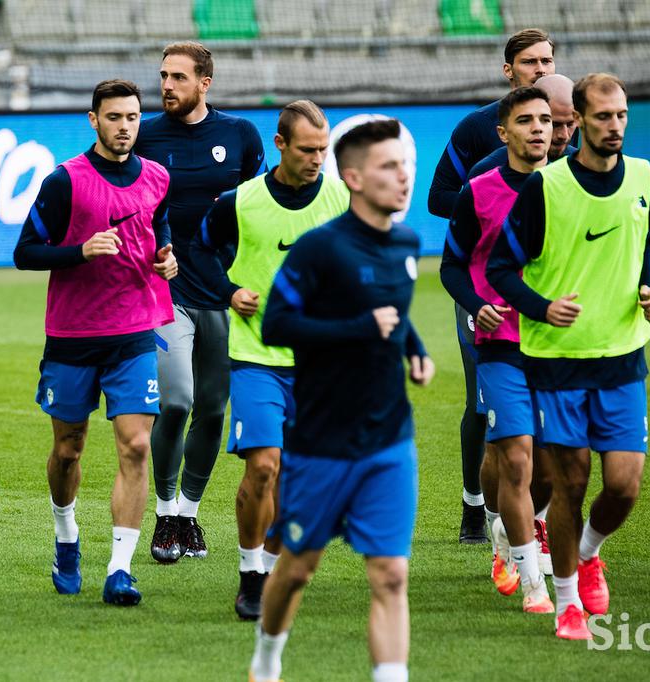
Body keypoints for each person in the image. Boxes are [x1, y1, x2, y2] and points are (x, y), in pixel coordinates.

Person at [249, 119, 432, 682]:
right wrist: (358, 326)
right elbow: (276, 325)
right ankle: (266, 659)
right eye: (387, 167)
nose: (402, 177)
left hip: (388, 441)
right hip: (322, 445)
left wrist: (414, 348)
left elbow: (393, 313)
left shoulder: (406, 242)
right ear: (351, 177)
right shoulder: (319, 249)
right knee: (298, 570)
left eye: (403, 165)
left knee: (391, 576)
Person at [488, 73, 650, 640]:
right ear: (578, 122)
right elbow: (499, 270)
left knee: (624, 485)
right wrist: (541, 307)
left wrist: (648, 288)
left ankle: (589, 553)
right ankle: (565, 601)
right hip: (558, 361)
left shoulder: (644, 177)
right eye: (603, 117)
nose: (615, 126)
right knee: (571, 483)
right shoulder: (546, 187)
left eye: (622, 116)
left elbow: (644, 242)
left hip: (622, 355)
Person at [13, 79, 178, 606]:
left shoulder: (156, 177)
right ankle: (66, 538)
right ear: (93, 120)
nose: (125, 126)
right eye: (114, 117)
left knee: (135, 445)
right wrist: (79, 251)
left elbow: (159, 230)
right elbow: (25, 253)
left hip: (133, 332)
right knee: (68, 449)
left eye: (132, 117)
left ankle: (120, 570)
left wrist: (167, 259)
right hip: (73, 337)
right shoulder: (63, 182)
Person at [192, 100, 349, 620]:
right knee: (263, 466)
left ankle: (273, 564)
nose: (317, 159)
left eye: (324, 150)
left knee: (296, 479)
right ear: (279, 146)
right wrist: (230, 290)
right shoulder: (241, 201)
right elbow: (201, 250)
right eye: (307, 150)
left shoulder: (342, 197)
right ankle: (252, 575)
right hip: (256, 356)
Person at [134, 41, 267, 563]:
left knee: (213, 408)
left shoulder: (239, 136)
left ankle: (188, 516)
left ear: (205, 83)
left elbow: (258, 208)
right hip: (164, 289)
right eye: (163, 76)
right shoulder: (142, 135)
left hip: (223, 292)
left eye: (178, 78)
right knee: (176, 401)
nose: (166, 86)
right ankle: (164, 512)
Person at [427, 28, 556, 544]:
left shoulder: (568, 129)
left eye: (548, 61)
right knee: (482, 402)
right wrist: (488, 201)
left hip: (546, 295)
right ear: (509, 70)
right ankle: (474, 506)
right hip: (485, 290)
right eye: (530, 63)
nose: (540, 70)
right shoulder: (477, 130)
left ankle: (532, 521)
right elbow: (439, 196)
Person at [441, 86, 554, 613]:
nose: (538, 129)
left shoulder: (569, 189)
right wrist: (474, 304)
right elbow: (451, 266)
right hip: (499, 338)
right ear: (503, 132)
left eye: (546, 121)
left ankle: (518, 531)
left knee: (553, 464)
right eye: (526, 120)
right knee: (513, 454)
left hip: (559, 342)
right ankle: (527, 571)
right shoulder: (478, 191)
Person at [469, 73, 578, 178]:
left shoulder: (583, 169)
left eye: (570, 124)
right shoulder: (485, 176)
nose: (564, 135)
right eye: (554, 124)